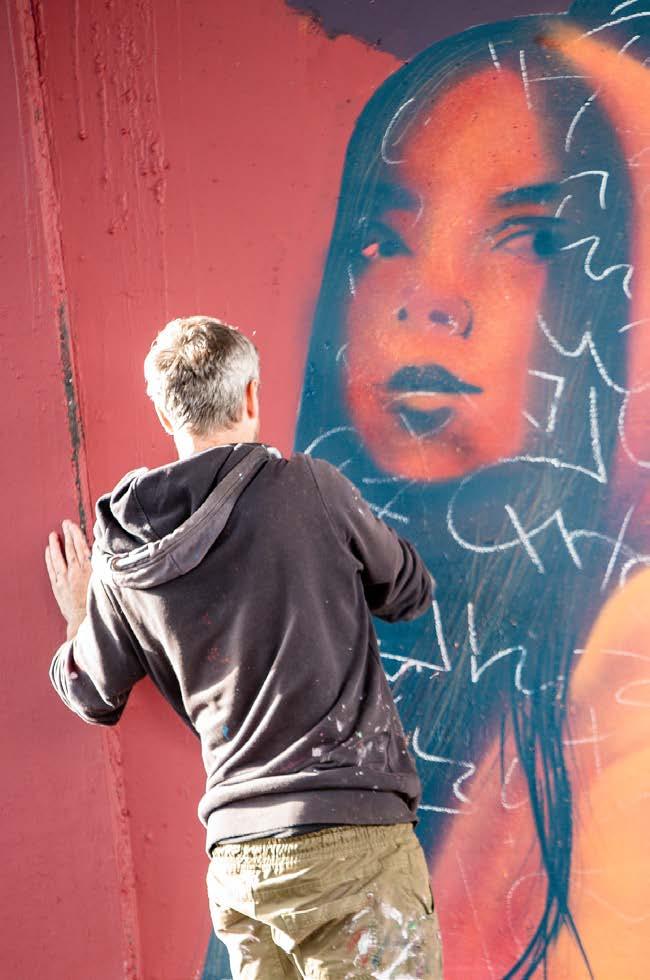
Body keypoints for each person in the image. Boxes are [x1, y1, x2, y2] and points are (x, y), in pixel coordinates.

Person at [294, 5, 650, 978]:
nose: (430, 299)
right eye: (383, 242)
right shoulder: (332, 602)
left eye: (526, 238)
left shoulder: (626, 660)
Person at [46, 316, 444, 979]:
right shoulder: (310, 488)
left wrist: (80, 615)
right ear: (251, 394)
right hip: (352, 845)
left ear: (164, 414)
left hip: (239, 864)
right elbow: (408, 592)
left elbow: (89, 692)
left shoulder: (122, 557)